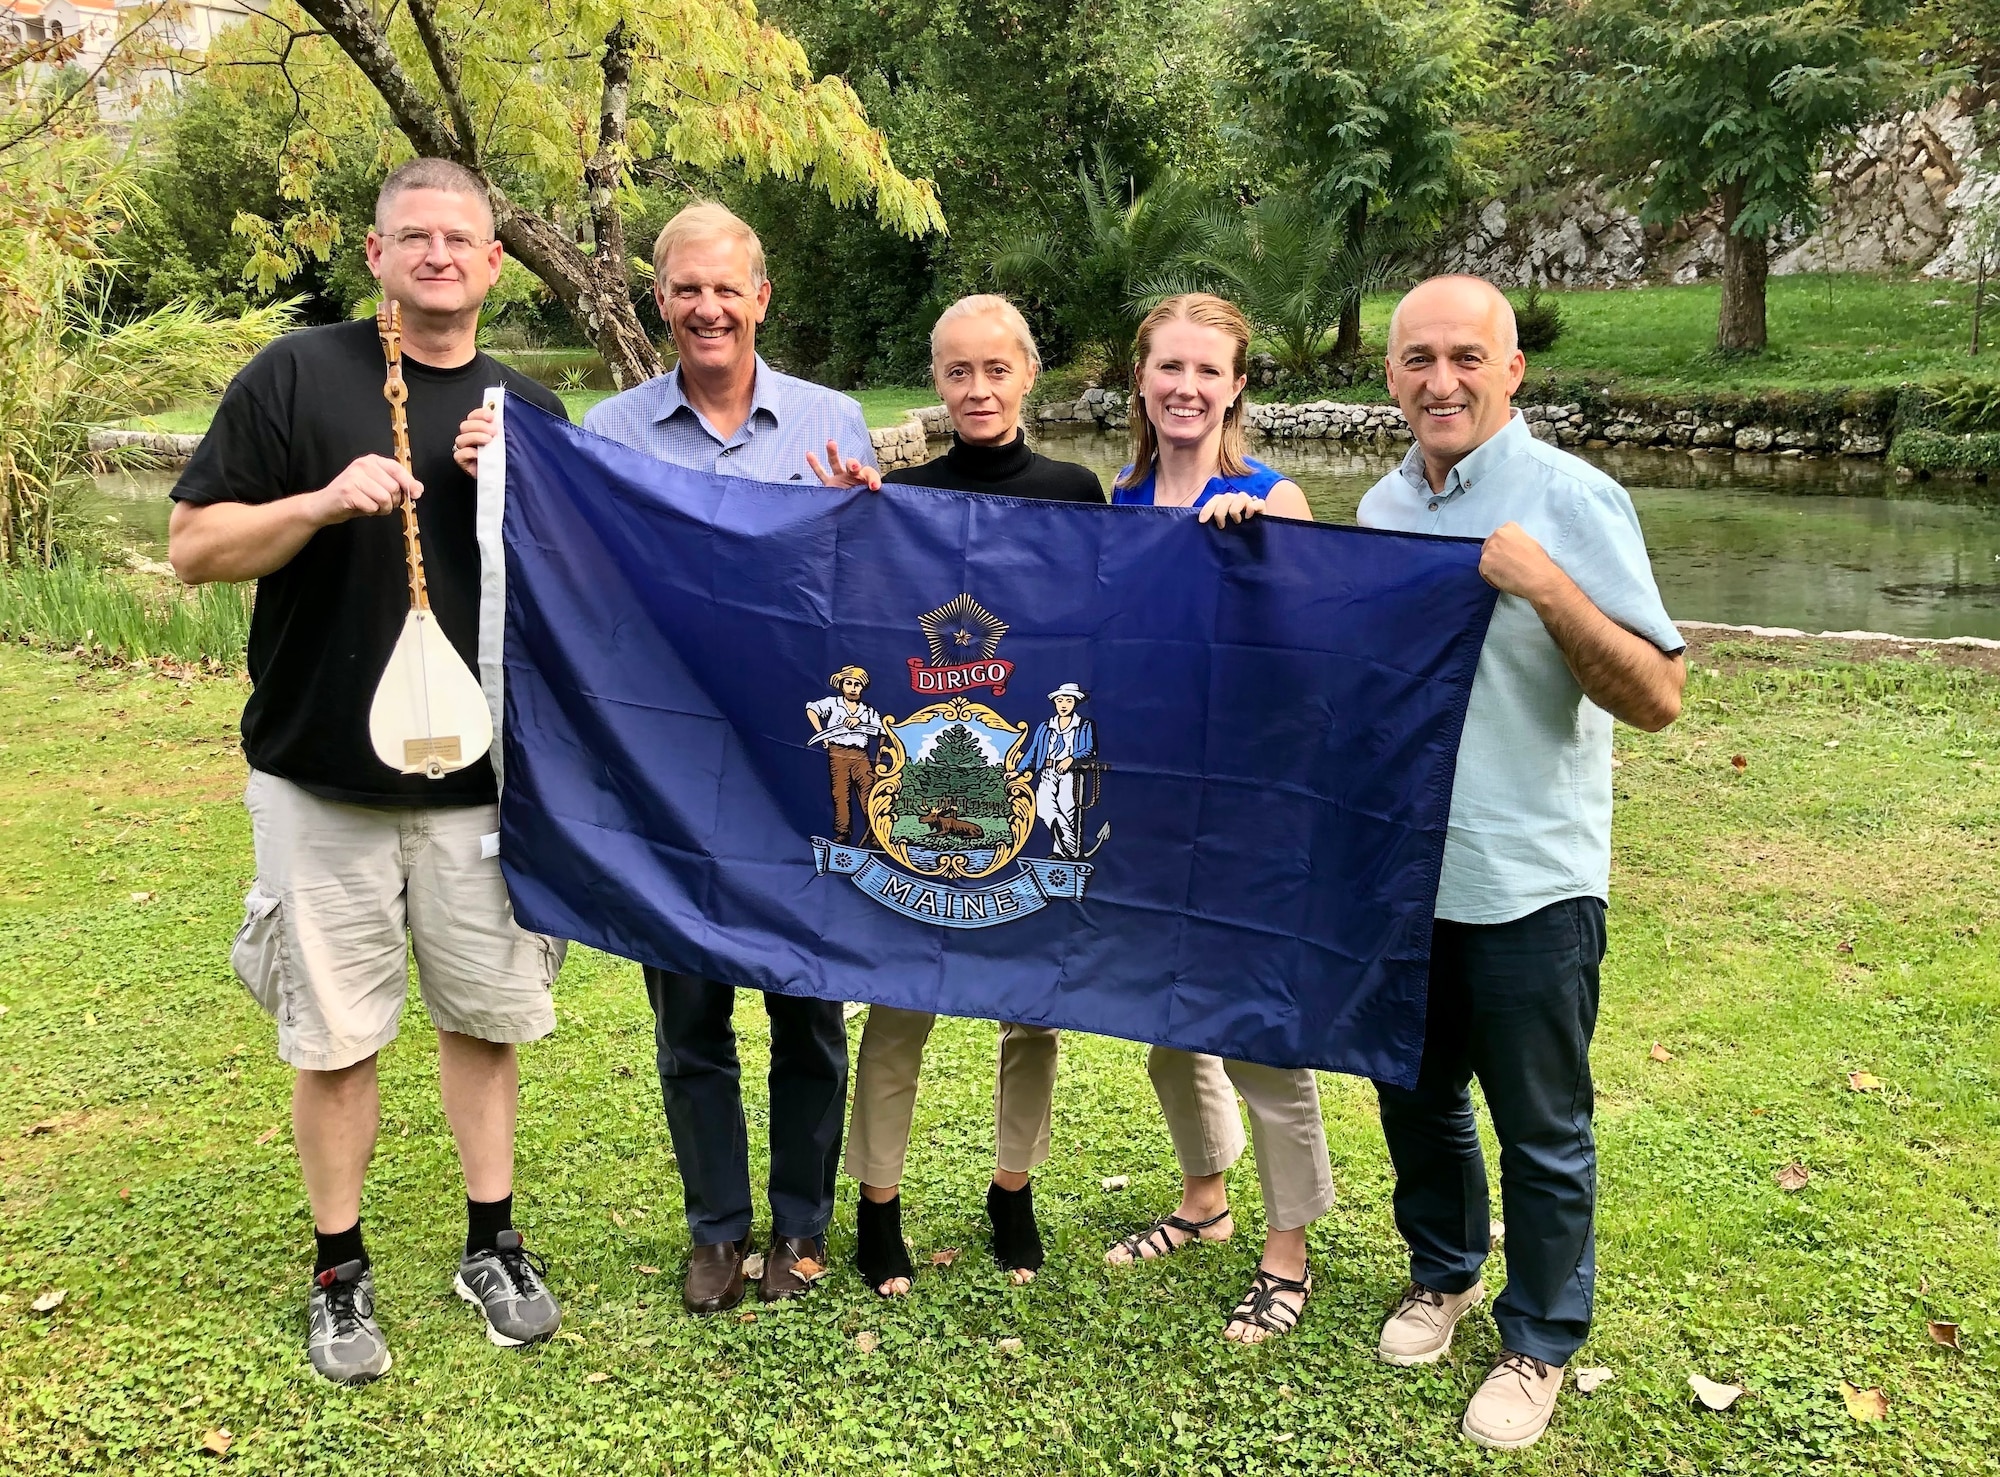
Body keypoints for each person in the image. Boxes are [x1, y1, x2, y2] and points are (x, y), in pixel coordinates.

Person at [167, 159, 570, 1385]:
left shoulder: (529, 406)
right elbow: (192, 548)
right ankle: (339, 1271)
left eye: (462, 239)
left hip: (480, 791)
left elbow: (583, 593)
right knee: (335, 1036)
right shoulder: (296, 376)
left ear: (496, 263)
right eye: (416, 237)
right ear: (377, 252)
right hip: (321, 778)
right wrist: (323, 500)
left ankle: (489, 1243)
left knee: (484, 1021)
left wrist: (527, 482)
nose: (440, 255)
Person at [461, 201, 867, 1315]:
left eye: (726, 287)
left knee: (808, 1015)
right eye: (685, 289)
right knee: (688, 1018)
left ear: (761, 298)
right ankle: (715, 1231)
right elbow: (580, 587)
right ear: (659, 300)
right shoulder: (611, 432)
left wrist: (867, 522)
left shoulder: (832, 426)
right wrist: (503, 472)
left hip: (795, 780)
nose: (706, 307)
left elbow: (865, 611)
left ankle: (800, 1228)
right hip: (669, 772)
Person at [1357, 275, 1684, 1449]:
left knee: (1540, 1123)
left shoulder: (1572, 499)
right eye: (1414, 359)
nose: (1438, 380)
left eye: (1462, 356)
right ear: (1388, 374)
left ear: (1510, 370)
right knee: (1414, 1092)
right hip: (1405, 880)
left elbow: (1654, 696)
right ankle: (1440, 1271)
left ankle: (1539, 1336)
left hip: (1529, 880)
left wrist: (1548, 588)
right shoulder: (1380, 507)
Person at [808, 294, 1101, 1297]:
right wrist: (847, 512)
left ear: (1028, 371)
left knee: (1034, 1011)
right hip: (923, 789)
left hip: (1018, 781)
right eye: (956, 371)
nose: (976, 389)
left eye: (995, 369)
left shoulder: (1075, 491)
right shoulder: (900, 498)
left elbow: (1114, 625)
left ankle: (1010, 1188)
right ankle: (875, 1205)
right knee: (897, 1003)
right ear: (935, 379)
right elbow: (841, 608)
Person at [1098, 293, 1331, 1346]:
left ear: (1236, 385)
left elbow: (1320, 659)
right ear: (1140, 379)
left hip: (1245, 808)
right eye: (1167, 368)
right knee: (1164, 1026)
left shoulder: (1271, 499)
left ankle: (1287, 1255)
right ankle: (1204, 1202)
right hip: (1150, 799)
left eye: (1207, 370)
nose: (1185, 387)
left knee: (1255, 1038)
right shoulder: (1124, 494)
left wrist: (1260, 561)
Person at [1015, 683, 1097, 860]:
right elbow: (1033, 751)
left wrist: (1071, 758)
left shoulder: (1084, 725)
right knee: (1044, 809)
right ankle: (1071, 847)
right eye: (1060, 700)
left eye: (1068, 700)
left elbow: (1089, 748)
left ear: (1075, 702)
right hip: (1048, 771)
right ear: (1055, 703)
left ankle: (1059, 854)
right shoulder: (1045, 727)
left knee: (1068, 811)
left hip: (1071, 774)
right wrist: (1018, 771)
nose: (1064, 704)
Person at [806, 665, 884, 844]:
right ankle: (843, 832)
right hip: (838, 753)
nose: (853, 687)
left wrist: (860, 721)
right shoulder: (833, 704)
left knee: (869, 793)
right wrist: (822, 734)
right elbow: (811, 709)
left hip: (861, 755)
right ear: (841, 685)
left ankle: (875, 833)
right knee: (840, 794)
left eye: (857, 683)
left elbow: (881, 730)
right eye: (849, 683)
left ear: (862, 687)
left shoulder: (867, 710)